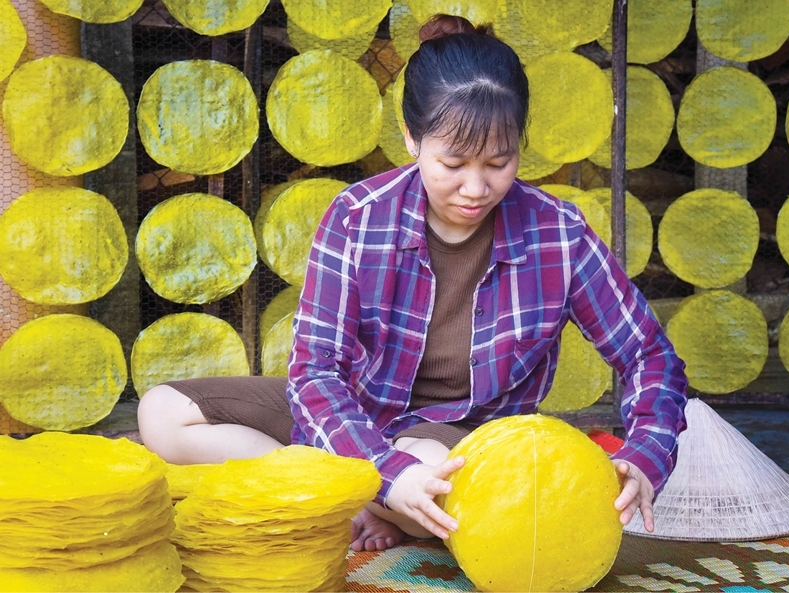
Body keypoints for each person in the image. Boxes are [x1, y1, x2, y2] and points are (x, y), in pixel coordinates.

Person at [138, 14, 688, 554]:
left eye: (499, 162)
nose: (476, 188)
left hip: (460, 439)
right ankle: (355, 499)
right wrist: (381, 471)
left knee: (431, 476)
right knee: (163, 414)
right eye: (452, 162)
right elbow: (315, 370)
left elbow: (648, 354)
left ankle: (356, 496)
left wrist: (645, 453)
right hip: (358, 417)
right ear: (410, 138)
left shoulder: (559, 234)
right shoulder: (357, 217)